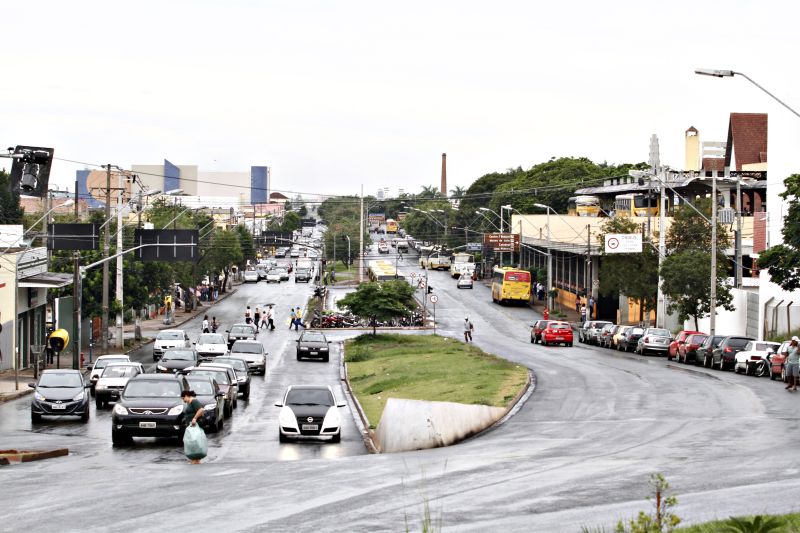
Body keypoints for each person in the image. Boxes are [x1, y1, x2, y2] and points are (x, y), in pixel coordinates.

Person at [181, 390, 205, 464]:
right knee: (192, 442)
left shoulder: (194, 401)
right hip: (191, 426)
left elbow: (201, 410)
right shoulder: (190, 403)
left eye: (183, 398)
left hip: (194, 426)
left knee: (194, 442)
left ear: (186, 396)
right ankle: (195, 459)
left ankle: (196, 459)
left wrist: (194, 418)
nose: (183, 400)